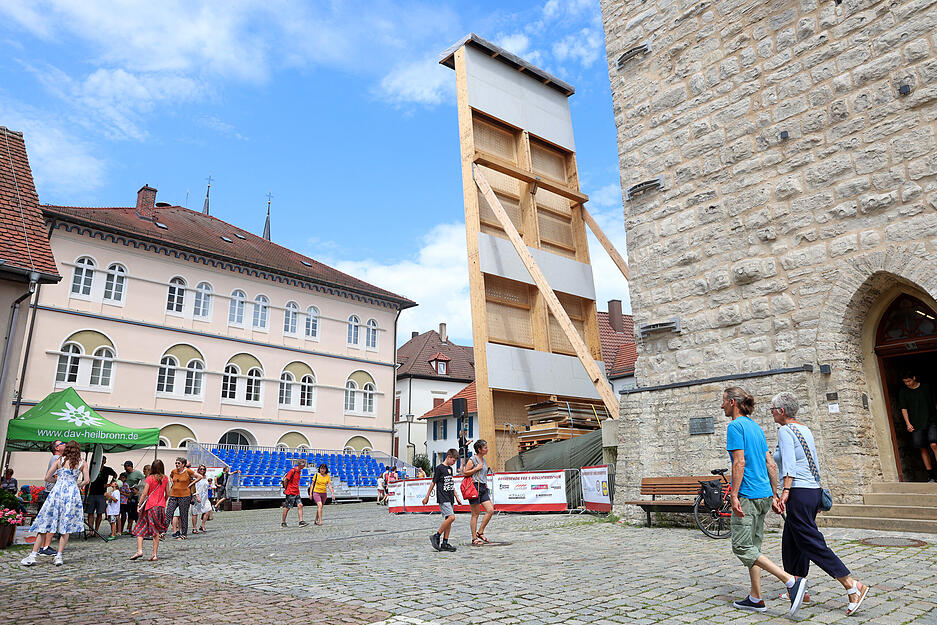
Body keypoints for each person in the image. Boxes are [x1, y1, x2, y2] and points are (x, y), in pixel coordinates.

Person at [770, 392, 871, 616]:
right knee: (792, 540)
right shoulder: (804, 429)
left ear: (781, 411)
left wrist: (784, 492)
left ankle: (852, 585)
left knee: (810, 542)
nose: (772, 414)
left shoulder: (786, 431)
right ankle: (797, 585)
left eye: (773, 410)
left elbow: (789, 465)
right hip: (812, 492)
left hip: (798, 491)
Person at [722, 386, 807, 617]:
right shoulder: (757, 428)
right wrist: (774, 494)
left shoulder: (735, 426)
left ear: (732, 403)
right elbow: (771, 464)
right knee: (754, 547)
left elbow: (739, 463)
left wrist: (734, 495)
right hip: (763, 495)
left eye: (723, 401)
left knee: (741, 546)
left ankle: (790, 581)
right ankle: (756, 598)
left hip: (748, 495)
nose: (721, 406)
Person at [22, 441, 88, 567]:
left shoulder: (59, 460)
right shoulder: (82, 463)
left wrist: (58, 481)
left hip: (57, 494)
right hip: (71, 495)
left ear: (67, 449)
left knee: (45, 522)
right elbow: (87, 480)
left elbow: (47, 477)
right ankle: (59, 556)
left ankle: (33, 555)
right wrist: (76, 485)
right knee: (65, 527)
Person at [897, 371, 937, 482]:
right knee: (922, 447)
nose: (907, 384)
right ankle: (931, 475)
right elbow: (903, 408)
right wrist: (908, 423)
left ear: (914, 378)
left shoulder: (926, 387)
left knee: (934, 444)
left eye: (909, 381)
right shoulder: (903, 392)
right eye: (905, 382)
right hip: (916, 423)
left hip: (932, 420)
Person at [422, 448, 464, 552]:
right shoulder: (439, 468)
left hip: (450, 496)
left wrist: (457, 497)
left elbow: (451, 484)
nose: (454, 463)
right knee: (451, 517)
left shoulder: (450, 469)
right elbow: (433, 482)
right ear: (448, 457)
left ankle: (445, 542)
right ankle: (436, 535)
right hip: (443, 496)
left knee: (448, 520)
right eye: (453, 460)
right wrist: (427, 496)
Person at [131, 459, 170, 561]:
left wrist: (139, 505)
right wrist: (162, 501)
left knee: (140, 526)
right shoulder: (165, 478)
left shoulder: (149, 478)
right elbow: (168, 494)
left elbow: (144, 493)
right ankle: (155, 554)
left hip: (150, 507)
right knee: (156, 530)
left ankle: (140, 550)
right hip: (160, 507)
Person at [463, 439, 493, 546]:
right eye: (485, 447)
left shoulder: (484, 460)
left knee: (490, 510)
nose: (487, 449)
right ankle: (474, 538)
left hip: (483, 487)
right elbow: (465, 473)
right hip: (475, 487)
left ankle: (480, 531)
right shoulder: (473, 459)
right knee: (475, 514)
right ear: (479, 449)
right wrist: (476, 469)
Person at [166, 457, 200, 539]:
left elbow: (199, 477)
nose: (177, 465)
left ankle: (184, 534)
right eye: (176, 463)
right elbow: (170, 476)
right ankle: (162, 532)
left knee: (183, 515)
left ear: (183, 464)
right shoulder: (174, 471)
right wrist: (172, 482)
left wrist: (191, 484)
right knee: (168, 513)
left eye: (179, 463)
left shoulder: (188, 471)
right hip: (174, 495)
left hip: (185, 496)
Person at [86, 455, 117, 536]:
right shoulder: (93, 468)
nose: (101, 462)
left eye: (103, 461)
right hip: (92, 493)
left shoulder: (107, 469)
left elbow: (115, 474)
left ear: (104, 461)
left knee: (100, 513)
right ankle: (91, 530)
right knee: (90, 513)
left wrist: (110, 484)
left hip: (101, 494)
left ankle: (96, 530)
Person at [281, 459, 308, 527]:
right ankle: (283, 522)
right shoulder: (293, 471)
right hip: (291, 492)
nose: (304, 466)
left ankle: (301, 521)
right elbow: (286, 479)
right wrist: (286, 488)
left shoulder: (299, 471)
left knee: (300, 505)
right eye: (304, 464)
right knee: (287, 507)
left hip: (296, 491)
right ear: (301, 465)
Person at [122, 460, 144, 534]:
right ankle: (128, 529)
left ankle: (137, 528)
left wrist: (138, 488)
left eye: (126, 467)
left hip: (133, 494)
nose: (125, 469)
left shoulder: (137, 473)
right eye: (124, 467)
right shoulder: (125, 473)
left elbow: (143, 479)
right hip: (125, 495)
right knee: (127, 512)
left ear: (130, 466)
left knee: (134, 512)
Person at [191, 465, 212, 533]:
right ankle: (194, 528)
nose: (202, 470)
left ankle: (202, 525)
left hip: (205, 497)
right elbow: (194, 487)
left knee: (208, 510)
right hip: (198, 496)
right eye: (201, 469)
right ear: (198, 470)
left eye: (203, 469)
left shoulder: (206, 477)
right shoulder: (196, 477)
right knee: (195, 513)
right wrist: (196, 496)